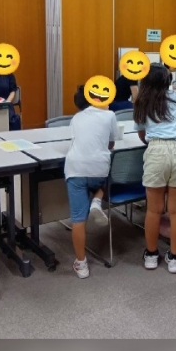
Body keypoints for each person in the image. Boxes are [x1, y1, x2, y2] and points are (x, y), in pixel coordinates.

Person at [134, 63, 176, 273]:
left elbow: (142, 135)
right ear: (167, 81)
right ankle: (175, 258)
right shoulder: (175, 98)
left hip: (156, 150)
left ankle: (151, 255)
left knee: (153, 209)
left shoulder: (141, 102)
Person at [64, 85, 118, 279]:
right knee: (104, 179)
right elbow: (111, 144)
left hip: (75, 169)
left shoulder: (76, 118)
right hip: (98, 170)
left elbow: (73, 141)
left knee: (78, 218)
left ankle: (81, 264)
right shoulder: (110, 115)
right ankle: (97, 201)